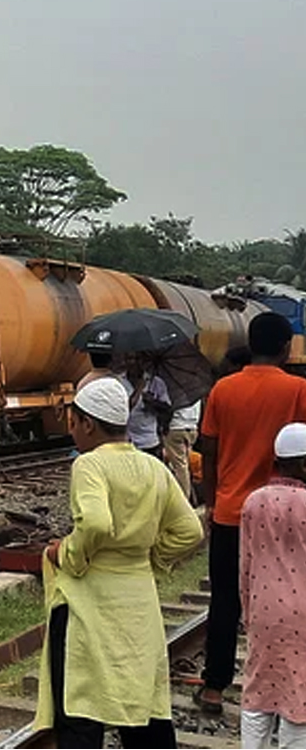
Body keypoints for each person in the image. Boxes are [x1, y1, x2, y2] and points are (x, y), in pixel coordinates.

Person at [33, 378, 203, 748]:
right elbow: (190, 529)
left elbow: (95, 523)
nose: (72, 429)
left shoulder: (89, 465)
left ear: (88, 424)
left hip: (89, 603)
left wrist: (67, 555)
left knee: (80, 704)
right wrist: (153, 556)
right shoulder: (152, 467)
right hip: (138, 603)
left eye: (73, 421)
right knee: (142, 702)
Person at [196, 312, 306, 716]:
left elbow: (208, 449)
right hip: (284, 514)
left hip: (230, 512)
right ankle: (288, 688)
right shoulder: (299, 389)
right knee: (290, 597)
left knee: (224, 599)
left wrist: (212, 500)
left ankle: (213, 688)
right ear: (285, 347)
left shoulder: (223, 389)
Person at [238, 422, 306, 749]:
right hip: (302, 617)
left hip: (263, 614)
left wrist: (248, 613)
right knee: (298, 697)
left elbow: (245, 566)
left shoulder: (253, 502)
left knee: (257, 691)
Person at [118, 355, 171, 459]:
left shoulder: (156, 383)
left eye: (138, 359)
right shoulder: (120, 382)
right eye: (130, 359)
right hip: (127, 441)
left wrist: (153, 403)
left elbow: (167, 410)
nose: (134, 363)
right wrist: (139, 389)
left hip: (150, 441)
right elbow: (122, 410)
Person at [164, 397, 201, 502]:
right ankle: (192, 496)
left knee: (180, 466)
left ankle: (184, 499)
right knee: (186, 464)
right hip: (193, 427)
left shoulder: (174, 390)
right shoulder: (194, 390)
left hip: (176, 427)